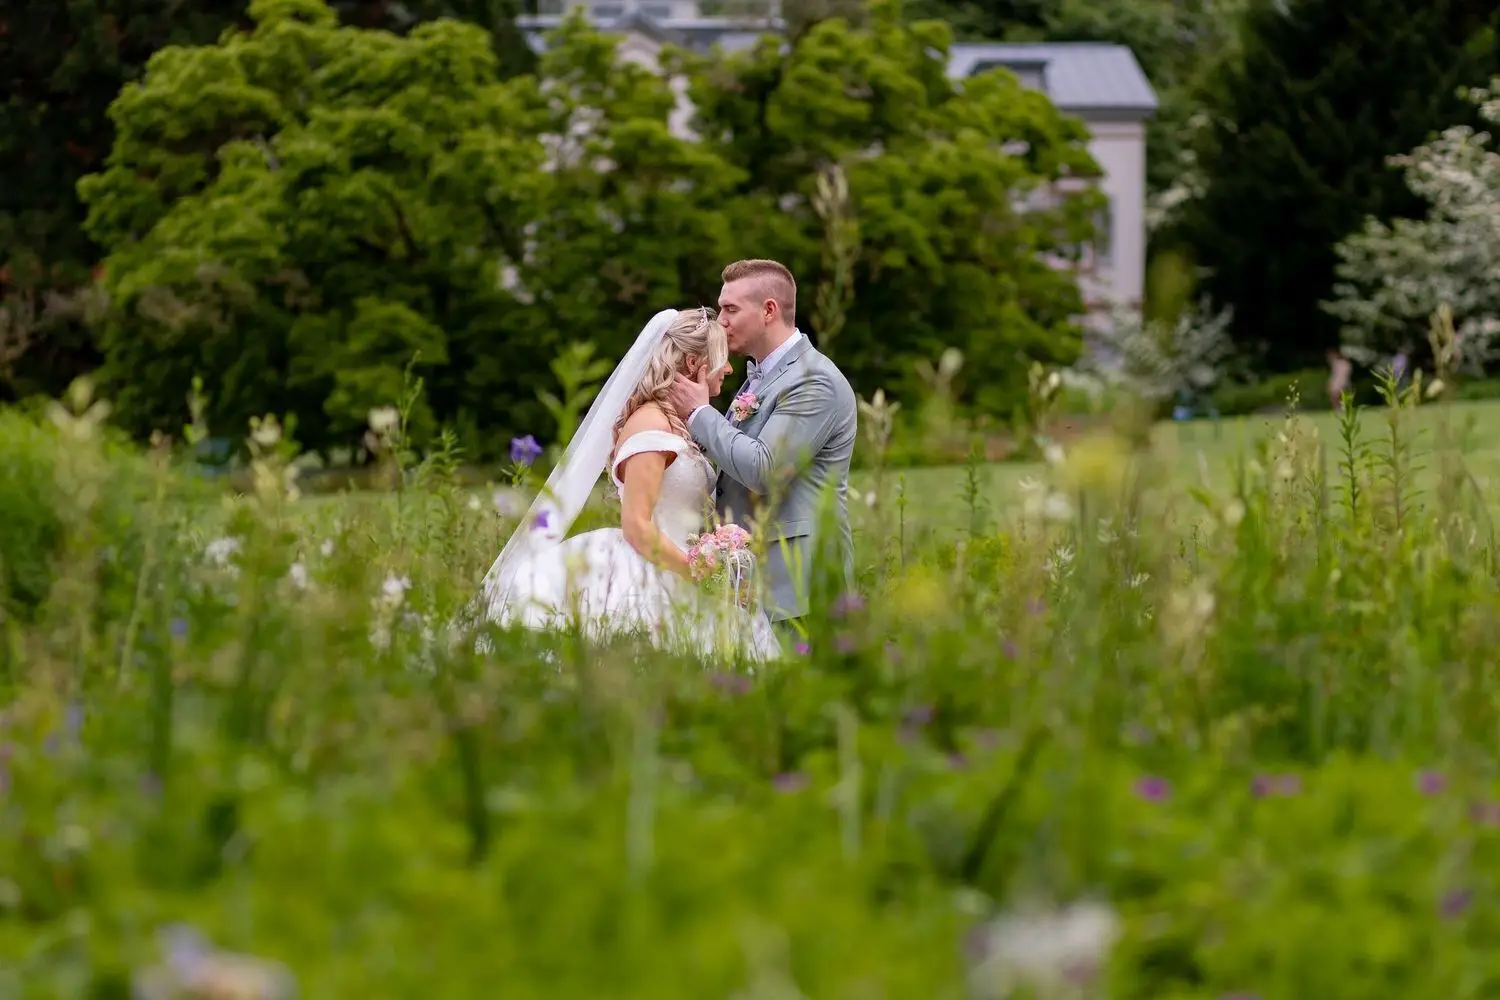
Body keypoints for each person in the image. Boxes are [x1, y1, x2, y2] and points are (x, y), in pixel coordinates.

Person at [476, 307, 780, 661]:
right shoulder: (651, 424)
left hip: (673, 563)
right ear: (693, 363)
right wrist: (697, 573)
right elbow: (636, 525)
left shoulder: (674, 423)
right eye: (721, 359)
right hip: (652, 572)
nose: (728, 369)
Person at [666, 259, 858, 632]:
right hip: (760, 581)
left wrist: (700, 413)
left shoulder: (813, 381)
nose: (721, 321)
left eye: (730, 309)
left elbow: (764, 470)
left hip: (801, 586)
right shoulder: (761, 376)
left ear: (769, 310)